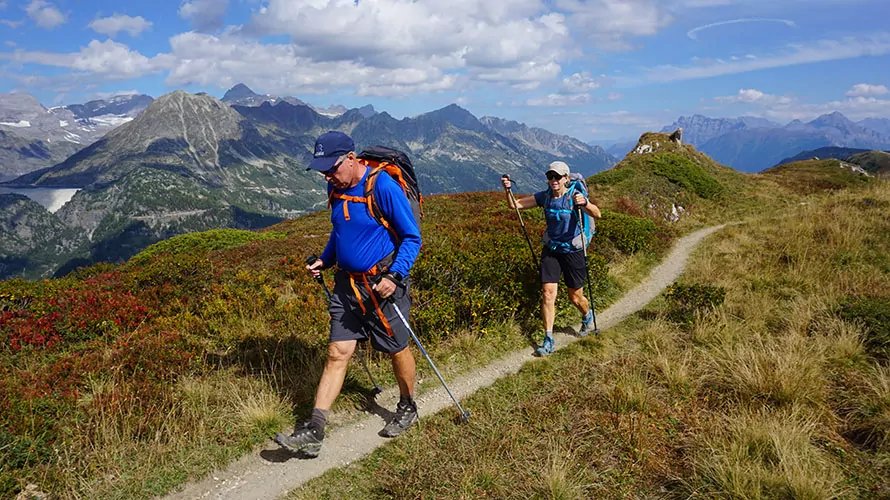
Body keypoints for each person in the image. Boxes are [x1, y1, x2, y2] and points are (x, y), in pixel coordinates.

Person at [274, 131, 422, 457]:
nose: (328, 176)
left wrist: (395, 276)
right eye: (324, 171)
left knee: (397, 349)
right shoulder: (335, 187)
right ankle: (314, 430)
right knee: (338, 353)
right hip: (347, 286)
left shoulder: (381, 186)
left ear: (352, 159)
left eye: (332, 168)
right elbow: (340, 230)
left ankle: (407, 404)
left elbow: (412, 238)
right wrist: (325, 260)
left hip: (381, 285)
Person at [501, 161, 601, 356]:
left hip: (572, 250)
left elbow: (598, 214)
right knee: (548, 293)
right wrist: (507, 190)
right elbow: (514, 205)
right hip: (552, 249)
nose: (553, 180)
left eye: (557, 177)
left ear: (566, 178)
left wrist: (586, 203)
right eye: (550, 177)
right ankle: (548, 339)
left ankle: (587, 315)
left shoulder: (575, 196)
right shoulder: (544, 197)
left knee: (575, 297)